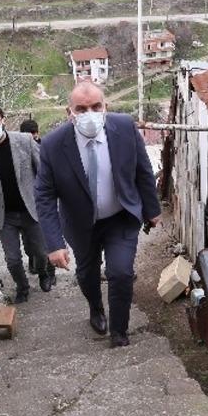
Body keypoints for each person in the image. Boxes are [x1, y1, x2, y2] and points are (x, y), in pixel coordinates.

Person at [35, 82, 161, 347]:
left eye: (95, 107)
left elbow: (143, 170)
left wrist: (152, 209)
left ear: (106, 107)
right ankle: (95, 308)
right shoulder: (52, 145)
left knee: (121, 272)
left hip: (120, 218)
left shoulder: (125, 127)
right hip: (81, 224)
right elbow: (44, 196)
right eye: (81, 109)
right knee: (87, 273)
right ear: (69, 112)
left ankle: (119, 331)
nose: (89, 113)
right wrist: (55, 244)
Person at [0, 104, 54, 303]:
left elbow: (43, 172)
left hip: (31, 210)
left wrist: (49, 203)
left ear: (3, 120)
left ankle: (44, 273)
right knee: (13, 259)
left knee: (40, 253)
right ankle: (22, 287)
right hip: (5, 215)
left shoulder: (24, 141)